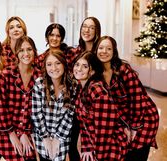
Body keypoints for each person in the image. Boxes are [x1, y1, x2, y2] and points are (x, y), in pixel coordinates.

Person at [94, 36, 159, 161]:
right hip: (125, 120)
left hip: (143, 119)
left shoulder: (123, 70)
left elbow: (137, 99)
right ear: (96, 50)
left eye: (109, 49)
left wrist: (134, 127)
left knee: (137, 153)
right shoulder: (96, 73)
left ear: (114, 52)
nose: (104, 51)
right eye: (101, 48)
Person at [0, 36, 40, 161]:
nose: (26, 54)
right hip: (4, 129)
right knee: (19, 158)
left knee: (30, 157)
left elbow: (35, 109)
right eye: (21, 50)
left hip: (26, 128)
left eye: (29, 49)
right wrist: (12, 134)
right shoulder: (6, 75)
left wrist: (24, 132)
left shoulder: (40, 76)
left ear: (34, 51)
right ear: (16, 53)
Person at [72, 51, 128, 161]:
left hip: (109, 149)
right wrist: (87, 146)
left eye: (85, 66)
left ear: (92, 71)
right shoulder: (81, 87)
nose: (78, 69)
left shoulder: (97, 91)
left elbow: (105, 132)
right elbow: (84, 123)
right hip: (94, 144)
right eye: (77, 64)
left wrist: (98, 156)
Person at [67, 16, 101, 161]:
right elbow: (70, 75)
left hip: (95, 103)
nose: (87, 30)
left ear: (97, 31)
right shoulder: (74, 52)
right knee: (71, 142)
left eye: (91, 27)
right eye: (84, 26)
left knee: (95, 142)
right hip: (78, 103)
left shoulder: (100, 52)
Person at [32, 50, 75, 161]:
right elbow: (36, 114)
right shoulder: (40, 84)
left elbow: (69, 116)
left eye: (58, 63)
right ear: (45, 67)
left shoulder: (72, 86)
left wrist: (57, 139)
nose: (54, 68)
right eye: (49, 64)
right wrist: (46, 138)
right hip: (42, 136)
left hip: (62, 136)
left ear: (64, 64)